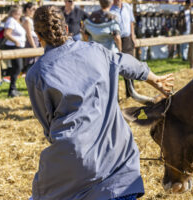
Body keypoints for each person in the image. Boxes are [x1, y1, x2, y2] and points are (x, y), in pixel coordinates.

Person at [27, 5, 174, 200]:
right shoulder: (98, 52)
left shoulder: (36, 74)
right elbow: (128, 63)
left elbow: (48, 125)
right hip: (117, 161)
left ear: (38, 35)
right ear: (67, 28)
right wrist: (155, 79)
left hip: (72, 167)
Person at [110, 0, 137, 98]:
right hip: (114, 40)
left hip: (127, 39)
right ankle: (115, 97)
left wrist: (133, 36)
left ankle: (130, 94)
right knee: (114, 69)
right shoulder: (110, 9)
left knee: (129, 67)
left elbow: (131, 22)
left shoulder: (127, 7)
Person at [4, 5, 26, 97]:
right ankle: (12, 90)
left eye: (20, 13)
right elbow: (6, 34)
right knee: (17, 68)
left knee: (18, 68)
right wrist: (16, 41)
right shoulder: (11, 21)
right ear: (12, 13)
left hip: (18, 47)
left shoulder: (16, 21)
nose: (19, 15)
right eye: (17, 13)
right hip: (14, 47)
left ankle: (13, 89)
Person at [22, 2, 39, 73]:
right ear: (28, 9)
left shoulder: (29, 19)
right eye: (33, 9)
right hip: (31, 42)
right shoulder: (26, 20)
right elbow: (29, 35)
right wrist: (34, 47)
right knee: (32, 62)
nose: (35, 11)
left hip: (34, 40)